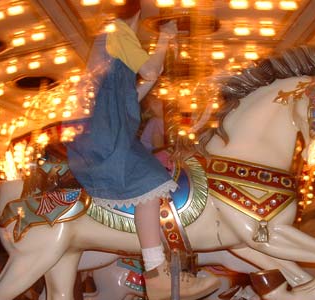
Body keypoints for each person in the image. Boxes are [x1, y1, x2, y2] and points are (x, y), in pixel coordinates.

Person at [66, 1, 220, 299]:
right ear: (137, 10)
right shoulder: (118, 30)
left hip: (105, 129)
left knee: (153, 174)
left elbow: (133, 93)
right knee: (150, 178)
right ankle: (155, 272)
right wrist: (164, 39)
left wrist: (158, 64)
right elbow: (150, 67)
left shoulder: (111, 37)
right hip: (106, 136)